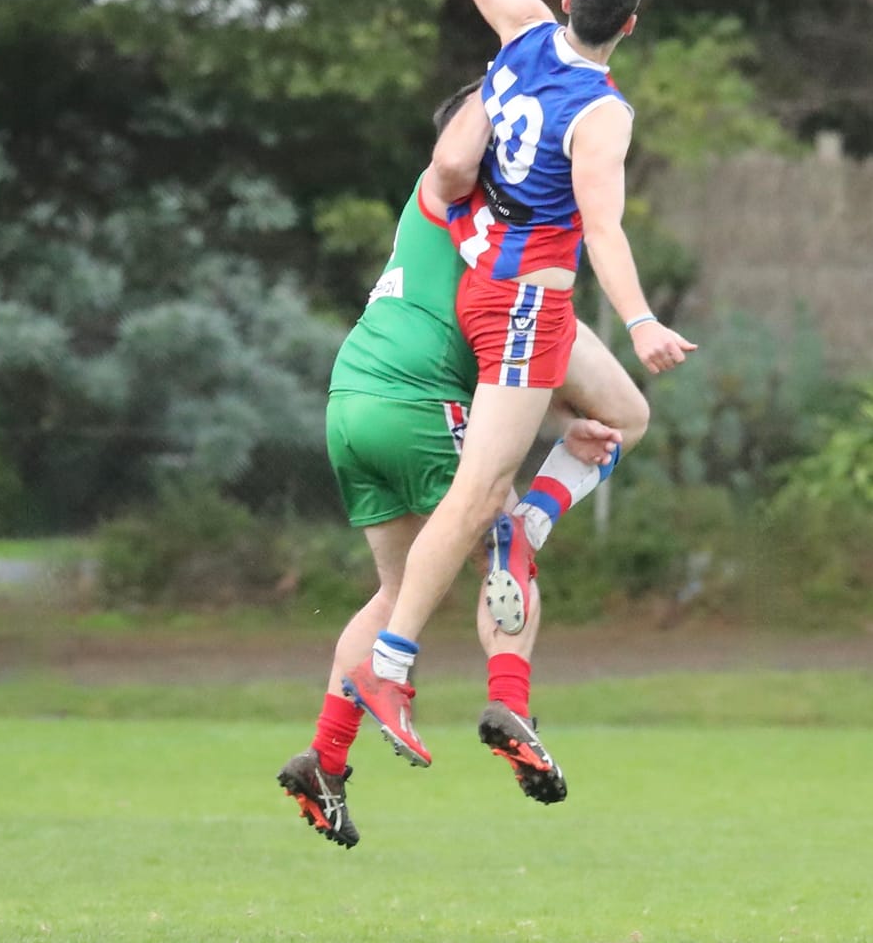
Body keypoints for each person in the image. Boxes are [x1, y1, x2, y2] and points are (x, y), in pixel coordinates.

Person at [338, 0, 696, 767]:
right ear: (627, 27)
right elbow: (603, 230)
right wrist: (640, 319)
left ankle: (524, 531)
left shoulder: (525, 31)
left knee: (623, 414)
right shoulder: (604, 112)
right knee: (475, 489)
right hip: (525, 306)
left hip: (490, 284)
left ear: (568, 1)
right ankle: (393, 662)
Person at [276, 83, 650, 846]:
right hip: (416, 403)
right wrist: (519, 69)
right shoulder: (490, 216)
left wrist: (562, 418)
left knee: (397, 590)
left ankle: (325, 758)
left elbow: (507, 365)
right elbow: (543, 363)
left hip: (351, 398)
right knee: (503, 542)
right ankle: (510, 703)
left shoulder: (446, 208)